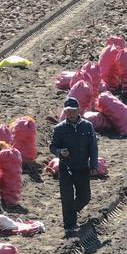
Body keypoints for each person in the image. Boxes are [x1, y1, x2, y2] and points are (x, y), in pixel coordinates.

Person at [49, 98, 99, 237]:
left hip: (82, 167)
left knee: (85, 197)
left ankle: (72, 212)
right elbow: (53, 147)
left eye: (73, 111)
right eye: (68, 111)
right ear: (65, 112)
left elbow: (93, 147)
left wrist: (94, 165)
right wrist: (60, 152)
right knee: (67, 197)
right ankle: (69, 226)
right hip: (66, 168)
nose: (70, 114)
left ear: (78, 110)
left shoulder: (87, 126)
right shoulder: (59, 129)